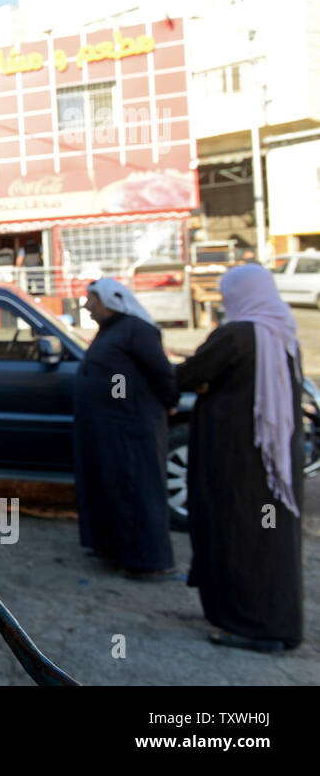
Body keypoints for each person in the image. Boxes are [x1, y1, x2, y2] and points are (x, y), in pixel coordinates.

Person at [175, 263, 305, 651]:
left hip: (235, 461)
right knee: (272, 540)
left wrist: (201, 382)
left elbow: (184, 377)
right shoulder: (283, 331)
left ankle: (250, 626)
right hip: (274, 459)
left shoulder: (235, 335)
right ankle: (279, 624)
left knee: (236, 536)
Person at [73, 278, 179, 578]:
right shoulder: (112, 329)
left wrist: (170, 400)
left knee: (137, 490)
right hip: (111, 428)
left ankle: (148, 563)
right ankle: (116, 551)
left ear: (109, 300)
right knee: (114, 488)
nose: (87, 305)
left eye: (91, 300)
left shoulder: (137, 329)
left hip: (132, 427)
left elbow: (161, 372)